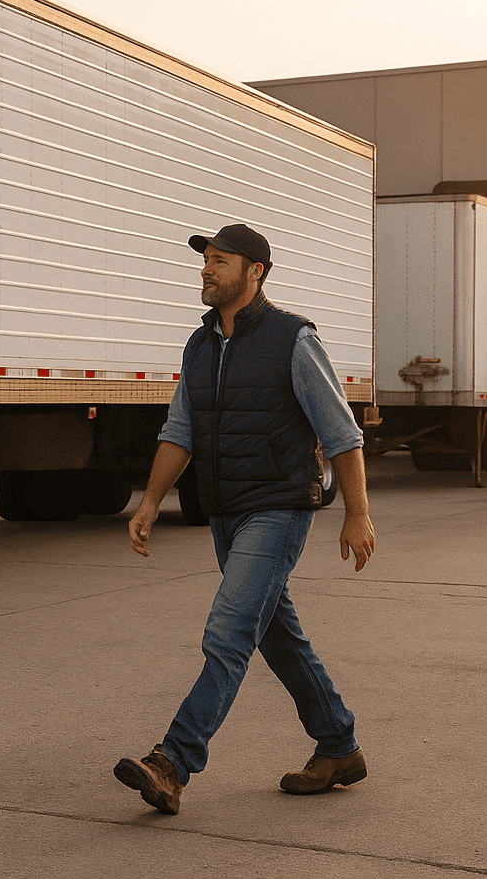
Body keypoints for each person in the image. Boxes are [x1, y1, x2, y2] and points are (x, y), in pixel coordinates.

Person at [113, 223, 376, 815]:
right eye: (205, 260)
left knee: (228, 633)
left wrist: (357, 514)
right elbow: (180, 430)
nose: (207, 270)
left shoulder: (293, 340)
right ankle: (338, 744)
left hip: (278, 509)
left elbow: (342, 434)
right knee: (277, 637)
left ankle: (174, 761)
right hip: (225, 512)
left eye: (220, 261)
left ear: (255, 271)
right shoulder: (200, 345)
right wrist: (151, 501)